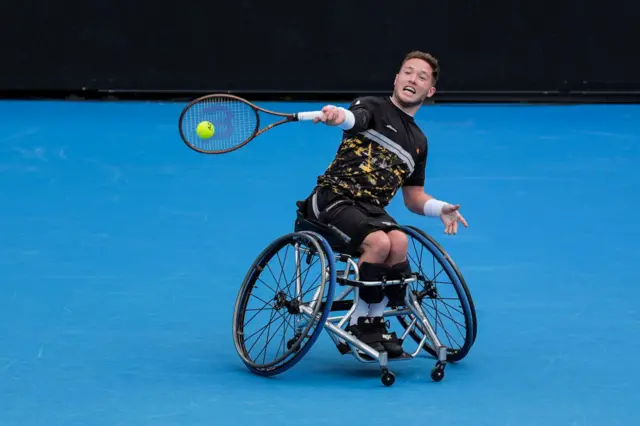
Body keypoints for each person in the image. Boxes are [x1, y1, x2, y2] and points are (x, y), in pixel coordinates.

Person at [297, 50, 468, 357]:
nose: (412, 79)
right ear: (396, 78)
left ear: (429, 91)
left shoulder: (419, 141)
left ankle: (374, 321)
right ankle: (363, 324)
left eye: (421, 77)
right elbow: (354, 119)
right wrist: (339, 116)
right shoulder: (371, 106)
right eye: (408, 72)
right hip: (333, 198)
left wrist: (440, 207)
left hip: (371, 210)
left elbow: (414, 198)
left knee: (399, 242)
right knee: (378, 243)